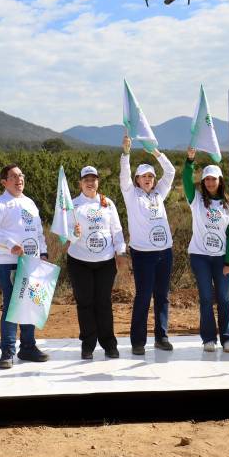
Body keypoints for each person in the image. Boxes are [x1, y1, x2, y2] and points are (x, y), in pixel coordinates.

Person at [0, 163, 50, 369]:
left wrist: (44, 252)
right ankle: (7, 351)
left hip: (32, 261)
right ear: (4, 182)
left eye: (21, 175)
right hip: (9, 262)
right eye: (14, 176)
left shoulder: (30, 203)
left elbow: (38, 232)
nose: (19, 179)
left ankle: (28, 348)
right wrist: (10, 244)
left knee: (30, 305)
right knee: (13, 306)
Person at [119, 134, 176, 355]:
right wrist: (126, 153)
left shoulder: (159, 194)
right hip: (143, 254)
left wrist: (157, 153)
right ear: (137, 179)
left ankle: (161, 337)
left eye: (151, 176)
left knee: (162, 296)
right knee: (143, 296)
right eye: (143, 176)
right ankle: (138, 342)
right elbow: (123, 176)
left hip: (165, 253)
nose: (148, 179)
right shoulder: (131, 195)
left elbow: (170, 172)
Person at [67, 165, 126, 359]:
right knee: (85, 303)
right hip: (79, 261)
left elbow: (116, 229)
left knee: (103, 302)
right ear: (80, 183)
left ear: (98, 182)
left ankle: (109, 344)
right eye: (86, 180)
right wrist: (71, 233)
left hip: (106, 261)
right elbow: (63, 236)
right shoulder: (72, 205)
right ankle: (88, 345)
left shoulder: (107, 203)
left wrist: (121, 252)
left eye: (93, 179)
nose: (90, 183)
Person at [183, 149, 229, 353]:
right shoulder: (196, 200)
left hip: (222, 259)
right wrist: (189, 161)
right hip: (200, 257)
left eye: (213, 179)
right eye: (206, 179)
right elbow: (186, 182)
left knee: (224, 299)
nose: (209, 183)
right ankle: (208, 338)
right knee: (206, 297)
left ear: (220, 181)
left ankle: (227, 338)